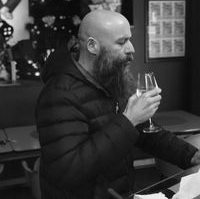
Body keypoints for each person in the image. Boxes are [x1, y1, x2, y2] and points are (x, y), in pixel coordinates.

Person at [35, 10, 200, 199]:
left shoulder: (109, 79)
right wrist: (128, 120)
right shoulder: (59, 94)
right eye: (122, 42)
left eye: (129, 40)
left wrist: (192, 156)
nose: (131, 49)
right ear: (92, 46)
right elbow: (68, 171)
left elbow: (147, 133)